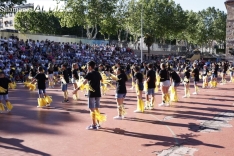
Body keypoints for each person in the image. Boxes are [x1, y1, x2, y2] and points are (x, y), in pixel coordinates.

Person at [73, 61, 106, 130]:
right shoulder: (98, 73)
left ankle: (94, 125)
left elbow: (84, 83)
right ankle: (98, 124)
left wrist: (76, 89)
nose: (87, 67)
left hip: (92, 93)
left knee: (92, 109)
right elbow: (102, 80)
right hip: (98, 93)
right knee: (96, 108)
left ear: (90, 67)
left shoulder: (89, 74)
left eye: (87, 66)